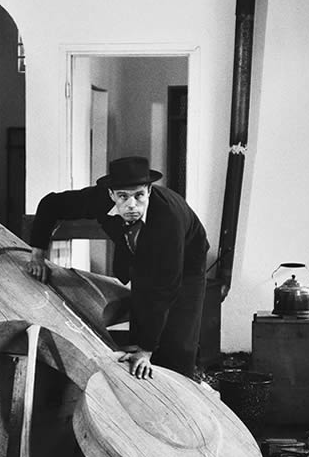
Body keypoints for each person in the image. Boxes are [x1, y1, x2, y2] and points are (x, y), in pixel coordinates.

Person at [27, 156, 209, 380]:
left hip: (186, 263)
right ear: (111, 194)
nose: (132, 205)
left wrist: (146, 351)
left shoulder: (169, 219)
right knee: (141, 319)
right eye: (123, 196)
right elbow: (50, 204)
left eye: (139, 195)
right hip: (142, 257)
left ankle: (183, 383)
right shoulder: (97, 199)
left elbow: (164, 288)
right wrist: (37, 254)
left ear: (149, 191)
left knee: (177, 342)